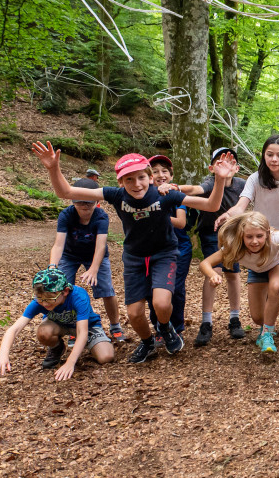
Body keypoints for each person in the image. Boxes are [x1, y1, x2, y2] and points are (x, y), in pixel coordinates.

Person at [30, 142, 234, 363]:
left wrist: (220, 180)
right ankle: (147, 342)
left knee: (162, 303)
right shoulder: (116, 196)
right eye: (129, 179)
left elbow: (212, 206)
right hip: (135, 257)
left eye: (141, 178)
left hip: (164, 253)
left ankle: (165, 329)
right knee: (135, 314)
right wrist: (52, 168)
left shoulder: (166, 195)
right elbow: (65, 191)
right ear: (121, 181)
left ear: (150, 177)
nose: (136, 184)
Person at [215, 135, 279, 342]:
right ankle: (267, 324)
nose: (274, 159)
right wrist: (230, 214)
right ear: (264, 155)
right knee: (268, 282)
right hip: (260, 239)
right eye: (270, 154)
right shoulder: (255, 179)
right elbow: (243, 204)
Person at [200, 211, 279, 354]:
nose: (254, 241)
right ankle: (265, 329)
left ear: (267, 234)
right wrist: (212, 274)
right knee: (257, 318)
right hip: (257, 270)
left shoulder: (276, 238)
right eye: (249, 237)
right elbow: (205, 263)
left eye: (259, 236)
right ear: (241, 236)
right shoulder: (235, 247)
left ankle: (268, 335)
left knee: (275, 287)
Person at [0, 267, 116, 382]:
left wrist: (70, 363)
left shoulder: (79, 296)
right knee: (43, 332)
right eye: (41, 299)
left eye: (50, 299)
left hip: (86, 326)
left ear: (65, 291)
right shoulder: (38, 302)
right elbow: (14, 329)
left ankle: (90, 345)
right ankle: (57, 348)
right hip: (58, 325)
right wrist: (2, 356)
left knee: (106, 357)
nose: (45, 304)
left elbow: (82, 332)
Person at [48, 177, 125, 342]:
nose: (85, 206)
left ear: (97, 202)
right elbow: (58, 245)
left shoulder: (101, 216)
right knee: (63, 289)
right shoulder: (66, 215)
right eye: (80, 202)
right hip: (70, 255)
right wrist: (52, 267)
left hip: (96, 255)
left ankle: (115, 325)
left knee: (106, 290)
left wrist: (94, 269)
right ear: (73, 202)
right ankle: (72, 328)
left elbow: (101, 245)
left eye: (89, 203)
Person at [192, 147, 248, 346]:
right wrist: (177, 189)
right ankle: (206, 322)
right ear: (212, 168)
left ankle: (235, 318)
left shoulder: (242, 185)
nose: (225, 166)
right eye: (219, 162)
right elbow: (196, 190)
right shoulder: (209, 182)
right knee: (213, 272)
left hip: (234, 234)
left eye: (230, 162)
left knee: (233, 274)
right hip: (210, 233)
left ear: (236, 167)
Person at [146, 154, 193, 341]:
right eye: (155, 171)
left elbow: (181, 222)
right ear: (149, 176)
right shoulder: (144, 195)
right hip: (152, 249)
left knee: (176, 287)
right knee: (153, 289)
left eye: (164, 171)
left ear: (171, 175)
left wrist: (153, 215)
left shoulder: (176, 195)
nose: (160, 175)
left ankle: (177, 327)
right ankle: (159, 328)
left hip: (180, 247)